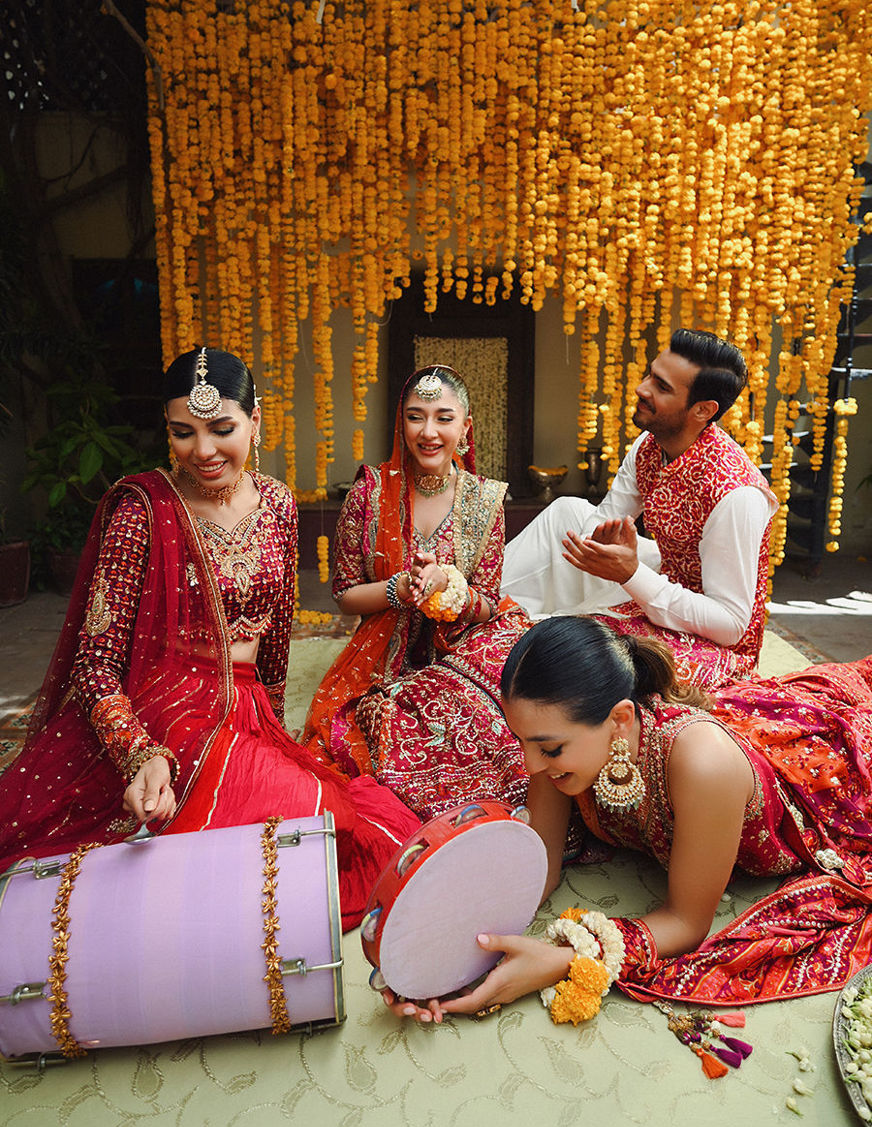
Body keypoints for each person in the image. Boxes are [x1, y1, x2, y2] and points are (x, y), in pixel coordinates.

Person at [0, 347, 419, 929]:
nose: (202, 451)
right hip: (163, 715)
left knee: (356, 821)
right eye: (182, 433)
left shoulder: (276, 504)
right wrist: (137, 753)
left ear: (256, 420)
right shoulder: (142, 510)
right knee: (317, 823)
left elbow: (275, 638)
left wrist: (271, 735)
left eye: (222, 429)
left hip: (243, 711)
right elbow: (93, 665)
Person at [384, 615, 872, 1023]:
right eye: (523, 743)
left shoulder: (702, 767)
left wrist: (561, 961)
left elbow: (685, 922)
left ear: (619, 720)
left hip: (821, 779)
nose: (531, 766)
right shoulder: (558, 753)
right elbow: (541, 870)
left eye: (549, 748)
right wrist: (444, 956)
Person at [302, 364, 530, 820]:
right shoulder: (369, 493)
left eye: (444, 418)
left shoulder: (484, 500)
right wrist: (396, 590)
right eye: (415, 416)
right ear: (400, 423)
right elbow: (345, 594)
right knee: (385, 738)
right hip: (386, 659)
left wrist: (451, 589)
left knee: (508, 716)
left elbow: (487, 602)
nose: (428, 432)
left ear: (465, 428)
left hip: (461, 648)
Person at [501, 329, 779, 690]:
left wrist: (630, 573)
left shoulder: (735, 493)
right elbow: (606, 519)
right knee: (566, 511)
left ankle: (536, 625)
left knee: (555, 660)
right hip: (664, 581)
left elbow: (729, 625)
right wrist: (604, 544)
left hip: (711, 644)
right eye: (650, 375)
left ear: (703, 410)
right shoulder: (651, 446)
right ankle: (485, 603)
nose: (642, 389)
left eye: (661, 387)